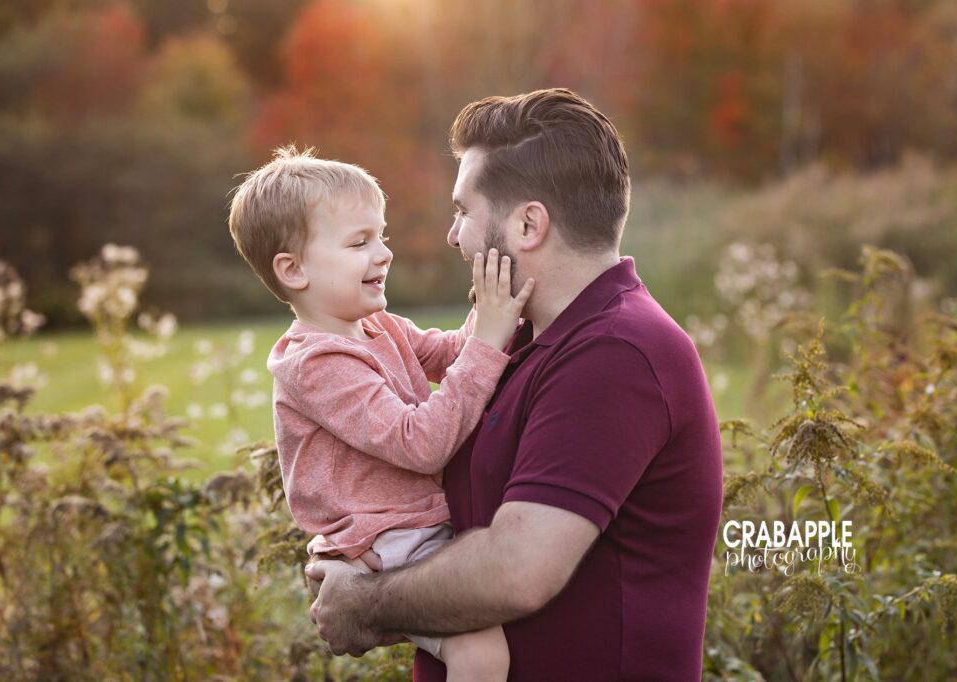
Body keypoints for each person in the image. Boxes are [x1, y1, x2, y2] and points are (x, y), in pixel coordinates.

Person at [306, 88, 725, 681]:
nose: (453, 237)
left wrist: (366, 603)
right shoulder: (518, 341)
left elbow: (517, 568)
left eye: (463, 212)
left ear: (528, 224)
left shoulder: (617, 353)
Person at [227, 146, 535, 681]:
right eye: (360, 242)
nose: (384, 252)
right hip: (386, 539)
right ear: (293, 269)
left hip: (412, 525)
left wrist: (493, 309)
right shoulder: (316, 363)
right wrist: (489, 338)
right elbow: (420, 445)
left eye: (382, 236)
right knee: (481, 651)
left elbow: (453, 354)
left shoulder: (379, 327)